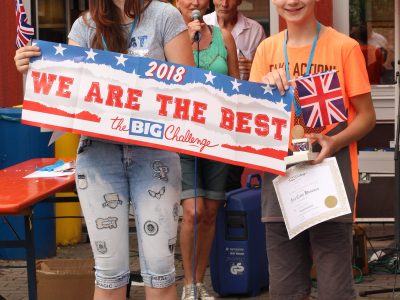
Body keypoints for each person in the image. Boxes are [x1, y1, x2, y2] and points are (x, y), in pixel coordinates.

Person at [15, 1, 195, 299]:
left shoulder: (165, 16)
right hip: (99, 156)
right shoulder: (84, 26)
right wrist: (31, 71)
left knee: (161, 273)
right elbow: (63, 101)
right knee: (109, 275)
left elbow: (190, 92)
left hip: (154, 155)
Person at [250, 0, 376, 299]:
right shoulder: (266, 50)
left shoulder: (343, 47)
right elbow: (253, 121)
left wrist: (335, 141)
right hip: (280, 183)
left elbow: (367, 116)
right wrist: (264, 91)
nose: (292, 2)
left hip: (330, 183)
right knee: (285, 290)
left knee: (335, 290)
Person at [175, 0, 239, 299]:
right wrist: (186, 38)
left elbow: (238, 86)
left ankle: (200, 282)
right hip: (182, 136)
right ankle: (187, 283)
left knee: (211, 212)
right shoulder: (170, 38)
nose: (194, 2)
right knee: (193, 211)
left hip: (218, 136)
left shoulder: (224, 37)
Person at [204, 0, 266, 191]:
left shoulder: (255, 30)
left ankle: (228, 219)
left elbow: (261, 74)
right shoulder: (203, 25)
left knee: (231, 179)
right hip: (205, 113)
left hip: (238, 115)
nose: (224, 3)